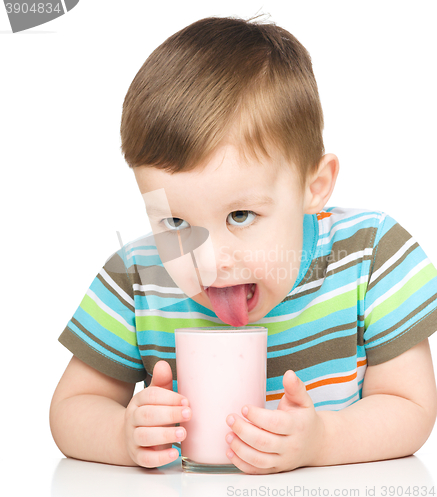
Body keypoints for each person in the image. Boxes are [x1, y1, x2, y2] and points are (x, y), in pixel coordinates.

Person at [49, 16, 437, 474]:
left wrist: (322, 442)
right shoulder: (137, 276)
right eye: (175, 221)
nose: (208, 262)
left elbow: (410, 406)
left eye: (240, 216)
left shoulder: (369, 255)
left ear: (314, 185)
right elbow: (71, 408)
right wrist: (122, 433)